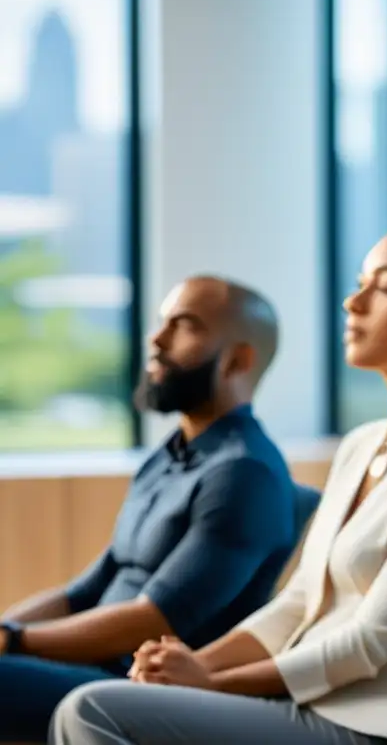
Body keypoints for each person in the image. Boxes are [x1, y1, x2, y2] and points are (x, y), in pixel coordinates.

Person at [51, 219, 387, 745]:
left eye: (384, 287)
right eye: (360, 283)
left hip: (373, 726)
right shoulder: (361, 446)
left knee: (91, 711)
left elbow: (367, 643)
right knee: (98, 704)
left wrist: (212, 684)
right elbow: (298, 603)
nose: (353, 303)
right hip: (302, 706)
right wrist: (191, 666)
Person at [0, 275, 303, 743]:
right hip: (86, 668)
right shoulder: (168, 456)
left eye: (184, 326)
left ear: (238, 360)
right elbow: (82, 591)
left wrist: (16, 642)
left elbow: (155, 618)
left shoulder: (244, 473)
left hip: (138, 689)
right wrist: (8, 629)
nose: (156, 339)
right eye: (163, 323)